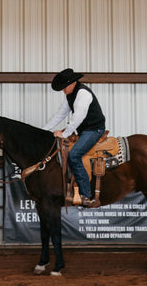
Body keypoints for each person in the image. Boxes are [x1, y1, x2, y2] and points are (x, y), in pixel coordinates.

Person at [43, 68, 106, 206]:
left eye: (64, 87)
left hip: (95, 129)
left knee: (74, 155)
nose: (63, 90)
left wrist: (64, 134)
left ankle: (86, 195)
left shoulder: (83, 94)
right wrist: (43, 130)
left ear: (73, 83)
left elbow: (78, 117)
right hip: (85, 130)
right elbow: (60, 114)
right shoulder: (70, 95)